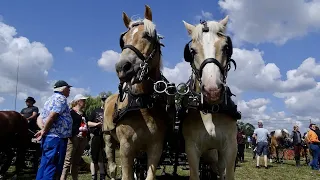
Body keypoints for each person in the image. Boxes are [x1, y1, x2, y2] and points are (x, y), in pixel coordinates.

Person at [35, 80, 73, 180]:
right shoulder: (61, 99)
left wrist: (43, 129)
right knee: (53, 167)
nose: (69, 91)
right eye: (68, 88)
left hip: (49, 138)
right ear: (64, 89)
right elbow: (53, 116)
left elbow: (39, 118)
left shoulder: (49, 99)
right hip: (57, 139)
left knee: (44, 165)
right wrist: (45, 130)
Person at [60, 94, 89, 180]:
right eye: (83, 100)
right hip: (73, 138)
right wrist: (74, 133)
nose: (85, 102)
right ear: (78, 102)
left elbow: (86, 124)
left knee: (76, 161)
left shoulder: (83, 113)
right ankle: (63, 178)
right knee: (68, 161)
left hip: (82, 139)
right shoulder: (71, 112)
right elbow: (68, 125)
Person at [87, 93, 108, 180]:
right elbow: (87, 123)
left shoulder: (110, 111)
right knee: (94, 157)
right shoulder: (95, 111)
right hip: (96, 135)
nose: (104, 101)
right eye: (103, 99)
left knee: (104, 157)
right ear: (101, 100)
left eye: (106, 99)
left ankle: (102, 175)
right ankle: (93, 176)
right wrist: (96, 124)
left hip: (107, 136)